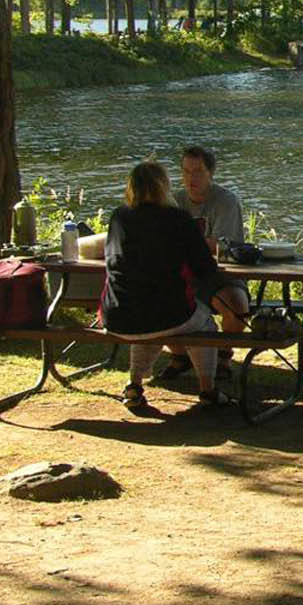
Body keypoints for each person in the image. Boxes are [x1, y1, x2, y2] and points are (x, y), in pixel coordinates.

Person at [102, 159, 249, 414]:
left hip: (116, 315)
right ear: (163, 187)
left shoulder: (119, 216)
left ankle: (134, 385)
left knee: (146, 313)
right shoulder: (177, 218)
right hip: (166, 314)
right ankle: (207, 389)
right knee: (203, 325)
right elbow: (204, 268)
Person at [179, 145, 243, 247]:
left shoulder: (226, 201)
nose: (191, 178)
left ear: (211, 172)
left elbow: (219, 245)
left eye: (198, 171)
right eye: (186, 172)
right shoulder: (175, 201)